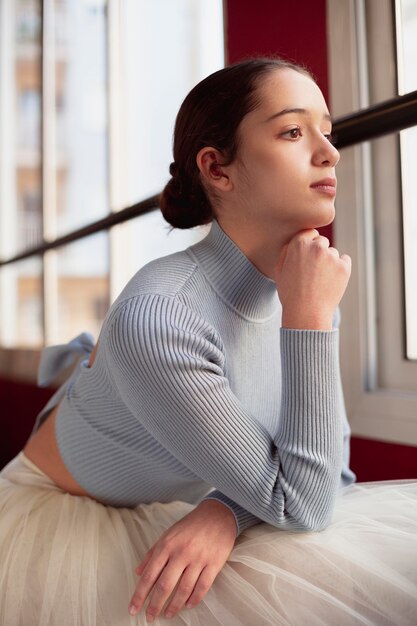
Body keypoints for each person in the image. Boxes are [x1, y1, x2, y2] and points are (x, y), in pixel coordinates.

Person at [1, 58, 416, 626]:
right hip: (64, 513)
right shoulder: (163, 316)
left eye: (328, 131)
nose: (329, 152)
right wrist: (310, 322)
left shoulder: (301, 285)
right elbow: (307, 503)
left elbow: (328, 473)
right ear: (217, 169)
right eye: (294, 131)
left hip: (185, 495)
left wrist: (225, 511)